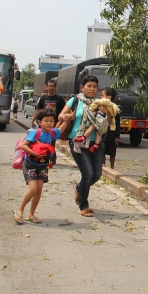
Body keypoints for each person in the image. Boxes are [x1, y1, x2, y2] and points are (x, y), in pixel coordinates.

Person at [57, 76, 111, 217]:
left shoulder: (100, 103)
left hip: (96, 141)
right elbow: (60, 116)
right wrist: (66, 117)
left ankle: (79, 188)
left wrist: (106, 111)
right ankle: (84, 205)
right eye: (89, 86)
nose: (92, 89)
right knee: (88, 173)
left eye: (95, 86)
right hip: (78, 140)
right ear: (82, 87)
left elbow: (109, 122)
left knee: (97, 174)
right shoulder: (75, 101)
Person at [13, 108, 66, 224]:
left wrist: (67, 120)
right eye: (46, 120)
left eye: (51, 121)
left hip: (42, 165)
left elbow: (60, 130)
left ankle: (31, 214)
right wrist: (34, 153)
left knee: (39, 190)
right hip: (30, 164)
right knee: (33, 189)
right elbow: (23, 145)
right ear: (40, 122)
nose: (49, 123)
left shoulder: (51, 133)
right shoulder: (35, 133)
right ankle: (20, 210)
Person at [101, 87, 121, 169]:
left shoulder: (115, 109)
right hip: (102, 134)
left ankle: (112, 167)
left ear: (109, 97)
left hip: (111, 135)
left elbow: (117, 124)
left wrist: (117, 136)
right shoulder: (100, 108)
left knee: (112, 153)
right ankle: (103, 166)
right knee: (102, 151)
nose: (100, 97)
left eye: (102, 95)